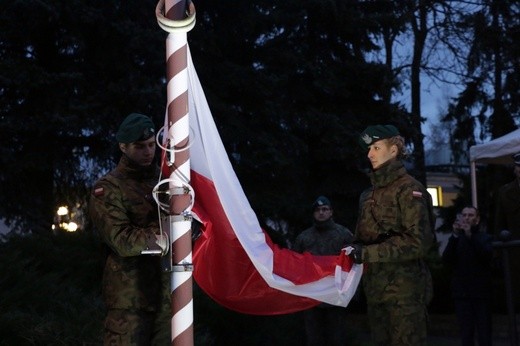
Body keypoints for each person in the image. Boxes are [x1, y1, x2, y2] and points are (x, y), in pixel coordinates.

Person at [346, 124, 435, 346]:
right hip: (375, 293)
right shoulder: (367, 195)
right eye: (369, 149)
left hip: (405, 295)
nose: (369, 154)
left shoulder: (410, 190)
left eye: (376, 147)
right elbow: (362, 238)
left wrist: (367, 253)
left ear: (394, 150)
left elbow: (418, 242)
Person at [89, 113, 171, 345]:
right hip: (130, 301)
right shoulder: (108, 188)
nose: (148, 152)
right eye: (139, 147)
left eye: (150, 145)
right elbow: (121, 240)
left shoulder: (167, 182)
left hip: (169, 295)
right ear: (123, 147)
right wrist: (164, 236)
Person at [293, 196, 354, 346]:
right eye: (318, 210)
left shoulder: (344, 235)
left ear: (331, 212)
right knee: (313, 339)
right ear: (313, 213)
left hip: (336, 297)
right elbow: (295, 265)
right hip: (311, 299)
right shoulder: (304, 238)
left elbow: (354, 266)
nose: (321, 213)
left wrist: (351, 292)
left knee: (337, 338)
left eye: (325, 209)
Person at [442, 206, 493, 346]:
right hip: (462, 294)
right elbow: (446, 260)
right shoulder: (457, 240)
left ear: (477, 219)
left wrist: (470, 235)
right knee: (466, 334)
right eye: (464, 215)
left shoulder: (485, 238)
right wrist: (455, 235)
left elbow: (486, 256)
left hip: (481, 294)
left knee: (484, 333)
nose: (466, 218)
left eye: (470, 215)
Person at [494, 152, 520, 237]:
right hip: (515, 245)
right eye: (519, 166)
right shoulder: (504, 192)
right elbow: (499, 223)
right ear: (515, 169)